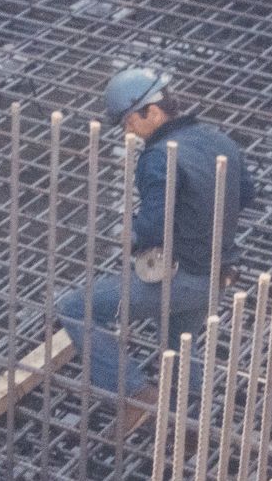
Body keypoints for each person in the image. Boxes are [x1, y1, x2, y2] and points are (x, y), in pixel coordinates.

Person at [55, 68, 256, 435]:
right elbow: (246, 195)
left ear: (153, 111)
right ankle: (188, 426)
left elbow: (152, 225)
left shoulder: (160, 156)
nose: (128, 132)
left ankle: (135, 394)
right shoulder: (218, 139)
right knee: (179, 346)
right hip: (220, 273)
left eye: (130, 122)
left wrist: (129, 234)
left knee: (75, 308)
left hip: (183, 279)